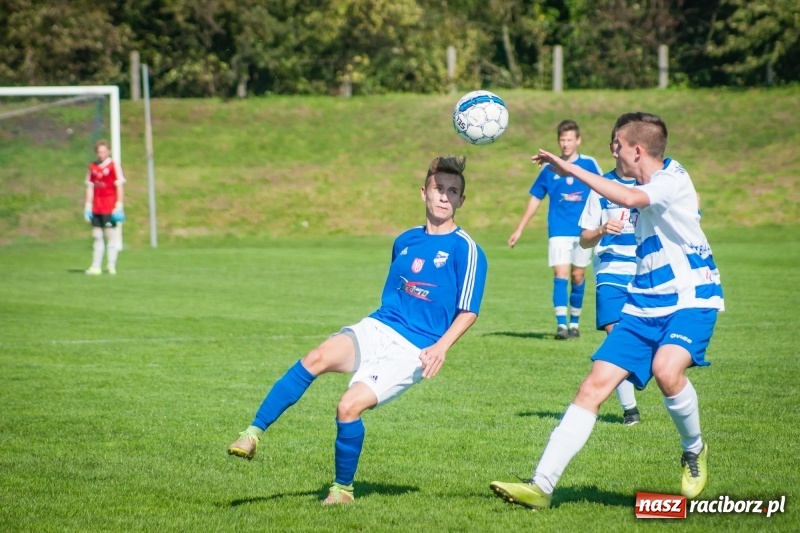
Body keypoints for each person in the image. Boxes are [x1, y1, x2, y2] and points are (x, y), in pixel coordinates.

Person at [490, 112, 723, 510]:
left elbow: (631, 199)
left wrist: (568, 168)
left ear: (636, 149)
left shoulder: (670, 179)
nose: (611, 150)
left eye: (616, 144)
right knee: (592, 388)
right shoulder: (633, 182)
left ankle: (694, 450)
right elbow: (607, 214)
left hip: (692, 298)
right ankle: (541, 486)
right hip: (642, 302)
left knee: (668, 370)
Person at [227, 155, 488, 505]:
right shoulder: (405, 240)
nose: (444, 196)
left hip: (414, 349)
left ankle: (342, 491)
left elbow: (469, 311)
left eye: (452, 191)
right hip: (378, 326)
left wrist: (441, 347)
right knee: (315, 358)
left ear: (461, 201)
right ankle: (252, 433)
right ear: (423, 193)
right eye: (438, 188)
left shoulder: (467, 250)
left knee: (347, 407)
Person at [508, 120, 602, 340]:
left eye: (570, 139)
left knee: (578, 276)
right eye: (562, 139)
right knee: (560, 274)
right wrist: (520, 228)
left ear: (578, 140)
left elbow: (603, 189)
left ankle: (575, 323)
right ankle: (561, 325)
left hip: (583, 231)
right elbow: (535, 198)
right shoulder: (549, 168)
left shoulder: (589, 164)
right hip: (558, 230)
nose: (565, 144)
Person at [577, 120, 641, 426]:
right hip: (611, 272)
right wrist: (601, 229)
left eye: (622, 142)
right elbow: (584, 238)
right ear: (611, 148)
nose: (618, 147)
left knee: (645, 342)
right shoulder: (601, 187)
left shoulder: (648, 185)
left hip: (644, 272)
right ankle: (630, 410)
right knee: (617, 338)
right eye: (614, 142)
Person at [84, 139, 125, 275]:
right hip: (97, 207)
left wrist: (119, 204)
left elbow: (119, 186)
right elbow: (90, 187)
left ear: (109, 152)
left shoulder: (114, 166)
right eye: (99, 152)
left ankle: (111, 265)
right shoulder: (92, 167)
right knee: (96, 235)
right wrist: (88, 205)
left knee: (110, 235)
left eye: (103, 151)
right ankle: (96, 266)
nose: (101, 154)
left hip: (110, 206)